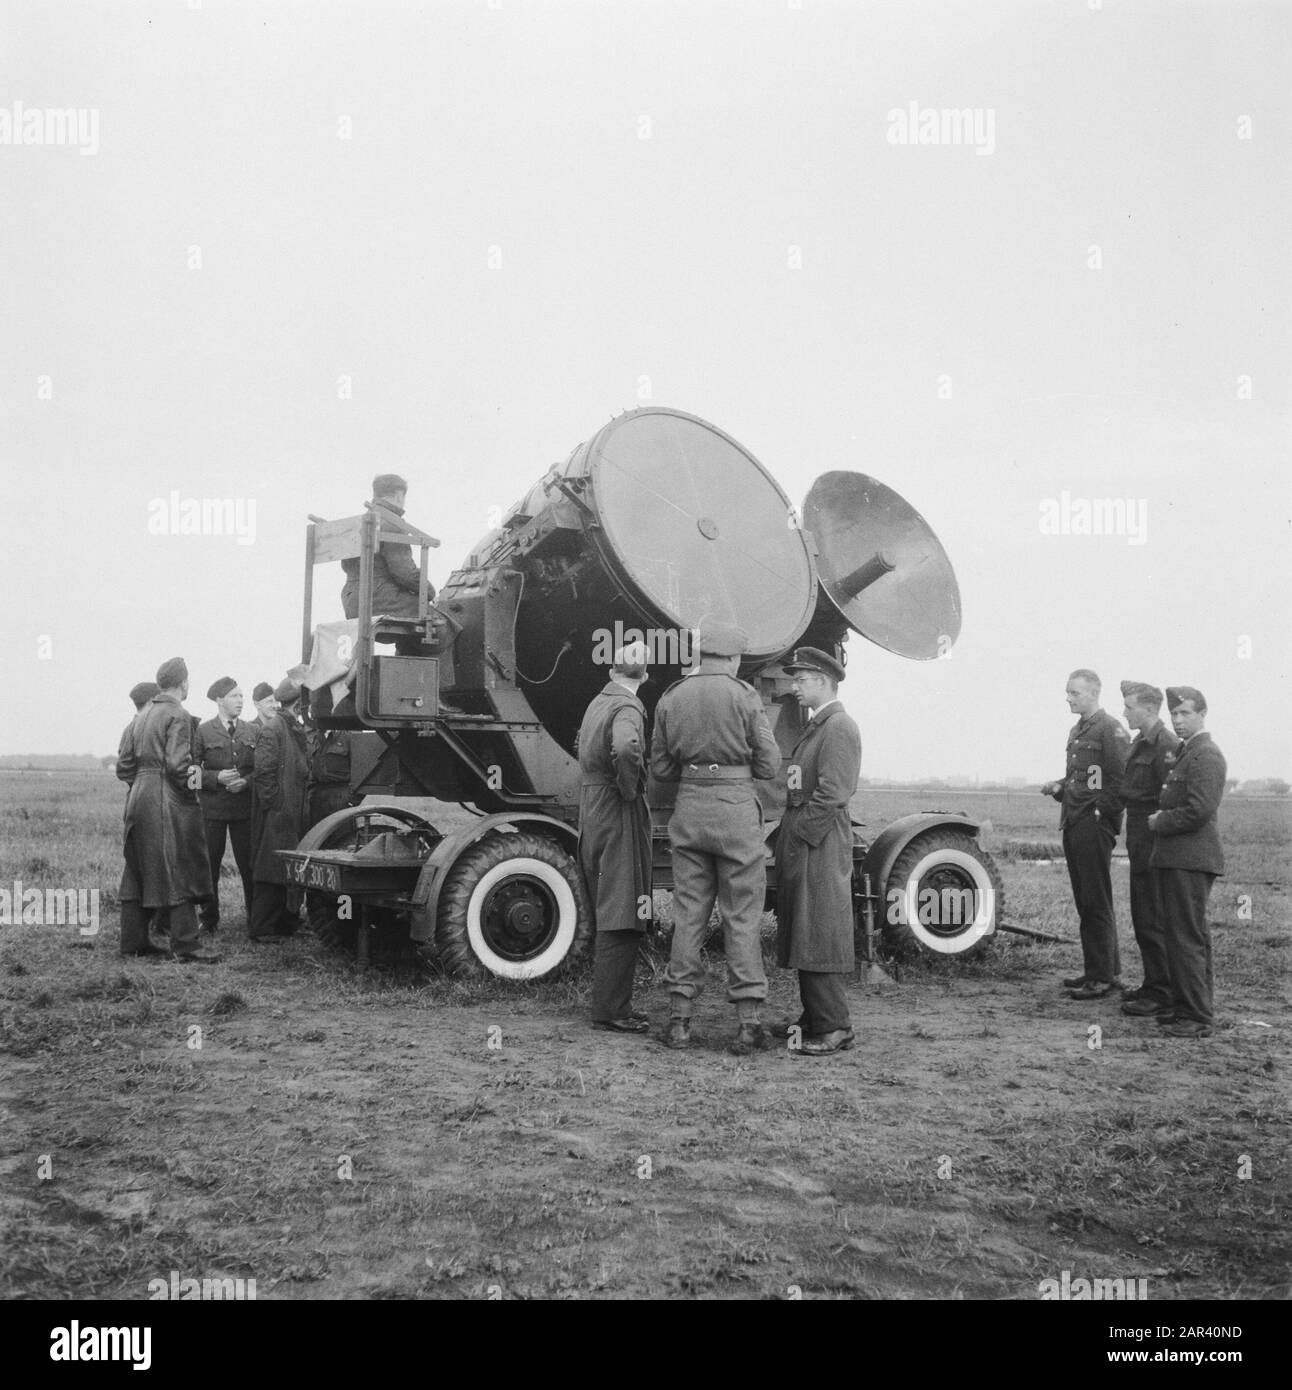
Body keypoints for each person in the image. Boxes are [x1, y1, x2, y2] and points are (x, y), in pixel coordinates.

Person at [650, 620, 779, 1054]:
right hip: (737, 814)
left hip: (689, 813)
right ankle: (747, 1024)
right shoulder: (744, 696)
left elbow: (662, 769)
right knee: (742, 916)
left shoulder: (672, 696)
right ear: (733, 658)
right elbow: (768, 764)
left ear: (699, 655)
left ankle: (680, 1022)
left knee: (688, 915)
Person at [771, 647, 862, 1056]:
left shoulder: (839, 726)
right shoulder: (818, 725)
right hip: (809, 835)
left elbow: (834, 793)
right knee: (807, 926)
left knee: (821, 927)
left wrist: (802, 835)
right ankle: (813, 1018)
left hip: (819, 839)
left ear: (824, 682)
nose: (794, 687)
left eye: (802, 680)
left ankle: (835, 1026)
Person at [116, 659, 219, 963]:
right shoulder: (178, 713)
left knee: (136, 870)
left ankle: (133, 942)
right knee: (178, 866)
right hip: (165, 798)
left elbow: (124, 766)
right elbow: (178, 765)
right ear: (184, 683)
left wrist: (143, 785)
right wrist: (191, 794)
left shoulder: (141, 715)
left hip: (138, 797)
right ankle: (187, 946)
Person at [1040, 669, 1129, 999]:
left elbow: (1121, 782)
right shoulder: (1077, 730)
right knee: (1087, 900)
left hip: (1093, 826)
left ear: (1093, 693)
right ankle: (1101, 971)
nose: (1068, 698)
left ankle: (1102, 978)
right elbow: (1081, 778)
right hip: (1074, 822)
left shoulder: (1110, 729)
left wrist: (1099, 814)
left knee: (1096, 900)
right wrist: (1058, 786)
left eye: (1075, 693)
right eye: (1068, 692)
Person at [578, 641, 652, 1034]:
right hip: (616, 807)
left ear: (612, 672)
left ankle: (613, 1004)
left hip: (592, 807)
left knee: (609, 902)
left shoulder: (598, 701)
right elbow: (626, 746)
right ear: (646, 675)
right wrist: (629, 789)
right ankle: (610, 1010)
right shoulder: (627, 706)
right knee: (623, 909)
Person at [1148, 687, 1227, 1038]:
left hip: (1190, 859)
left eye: (1186, 714)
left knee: (1186, 937)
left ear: (1203, 714)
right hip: (1179, 858)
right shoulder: (1188, 752)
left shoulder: (1205, 754)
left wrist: (1159, 821)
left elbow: (1199, 810)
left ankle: (1196, 1016)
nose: (1178, 720)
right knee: (1181, 934)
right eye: (1175, 714)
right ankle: (1186, 1008)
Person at [1117, 681, 1180, 1018]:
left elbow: (1169, 798)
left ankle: (1162, 991)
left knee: (1153, 915)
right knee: (1143, 912)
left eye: (1129, 707)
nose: (1124, 712)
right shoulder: (1140, 742)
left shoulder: (1165, 745)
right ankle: (1152, 983)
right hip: (1138, 830)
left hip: (1153, 834)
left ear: (1150, 709)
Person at [192, 678, 259, 933]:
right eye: (234, 696)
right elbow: (190, 773)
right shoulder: (203, 731)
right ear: (220, 700)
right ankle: (209, 919)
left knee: (249, 865)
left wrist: (246, 782)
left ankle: (255, 919)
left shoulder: (252, 730)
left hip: (244, 811)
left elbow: (260, 769)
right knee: (209, 865)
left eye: (242, 696)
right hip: (213, 811)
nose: (240, 701)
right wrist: (215, 778)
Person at [248, 678, 310, 940]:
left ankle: (286, 923)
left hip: (291, 811)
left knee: (286, 868)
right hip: (279, 811)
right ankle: (261, 928)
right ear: (297, 703)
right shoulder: (274, 729)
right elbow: (264, 773)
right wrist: (276, 805)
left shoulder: (290, 727)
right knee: (270, 867)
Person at [340, 473, 434, 623]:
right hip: (379, 599)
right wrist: (429, 591)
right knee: (436, 618)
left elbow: (347, 566)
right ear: (399, 495)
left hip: (351, 601)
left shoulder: (358, 525)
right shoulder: (392, 523)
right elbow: (404, 573)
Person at [305, 721, 353, 829]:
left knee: (341, 837)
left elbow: (360, 771)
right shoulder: (311, 737)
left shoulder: (348, 737)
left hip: (340, 798)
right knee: (317, 838)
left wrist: (351, 800)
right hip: (316, 797)